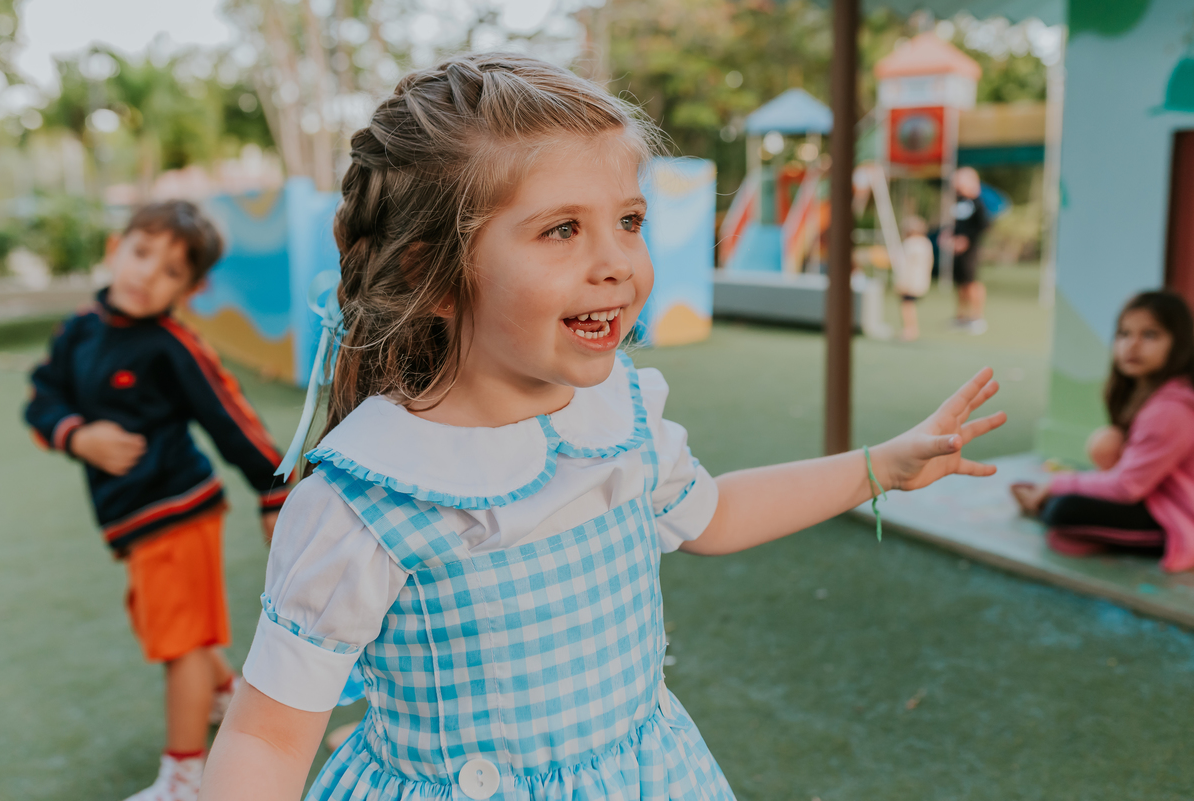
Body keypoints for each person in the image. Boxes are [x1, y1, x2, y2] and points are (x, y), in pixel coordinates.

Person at [200, 53, 1006, 801]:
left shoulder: (620, 414)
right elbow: (267, 740)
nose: (618, 261)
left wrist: (880, 467)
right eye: (561, 230)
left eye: (628, 220)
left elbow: (714, 513)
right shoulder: (366, 502)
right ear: (428, 274)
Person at [24, 200, 292, 801]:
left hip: (179, 511)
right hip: (132, 520)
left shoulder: (172, 345)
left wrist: (275, 488)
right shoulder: (81, 330)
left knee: (180, 647)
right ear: (117, 248)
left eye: (172, 271)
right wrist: (77, 434)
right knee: (178, 632)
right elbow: (42, 399)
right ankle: (226, 695)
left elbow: (229, 417)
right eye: (143, 253)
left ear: (192, 289)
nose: (149, 274)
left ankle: (184, 775)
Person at [1011, 291, 1194, 571]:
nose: (1132, 346)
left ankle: (1092, 529)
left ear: (1179, 344)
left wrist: (1055, 485)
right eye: (1123, 334)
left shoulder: (1170, 409)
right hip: (1157, 496)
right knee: (1107, 442)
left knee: (1063, 510)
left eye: (1150, 335)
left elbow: (1126, 487)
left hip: (1179, 518)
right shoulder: (1150, 394)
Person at [948, 166, 990, 334]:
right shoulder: (959, 201)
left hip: (971, 249)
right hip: (957, 250)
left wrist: (966, 239)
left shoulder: (978, 202)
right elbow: (956, 224)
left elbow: (983, 226)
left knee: (972, 282)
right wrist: (950, 236)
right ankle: (962, 316)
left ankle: (977, 317)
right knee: (961, 283)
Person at [893, 215, 933, 341]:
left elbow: (905, 264)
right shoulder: (926, 243)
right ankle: (911, 329)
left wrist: (903, 281)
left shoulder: (911, 243)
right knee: (909, 304)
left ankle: (910, 329)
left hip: (910, 280)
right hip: (919, 279)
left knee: (907, 305)